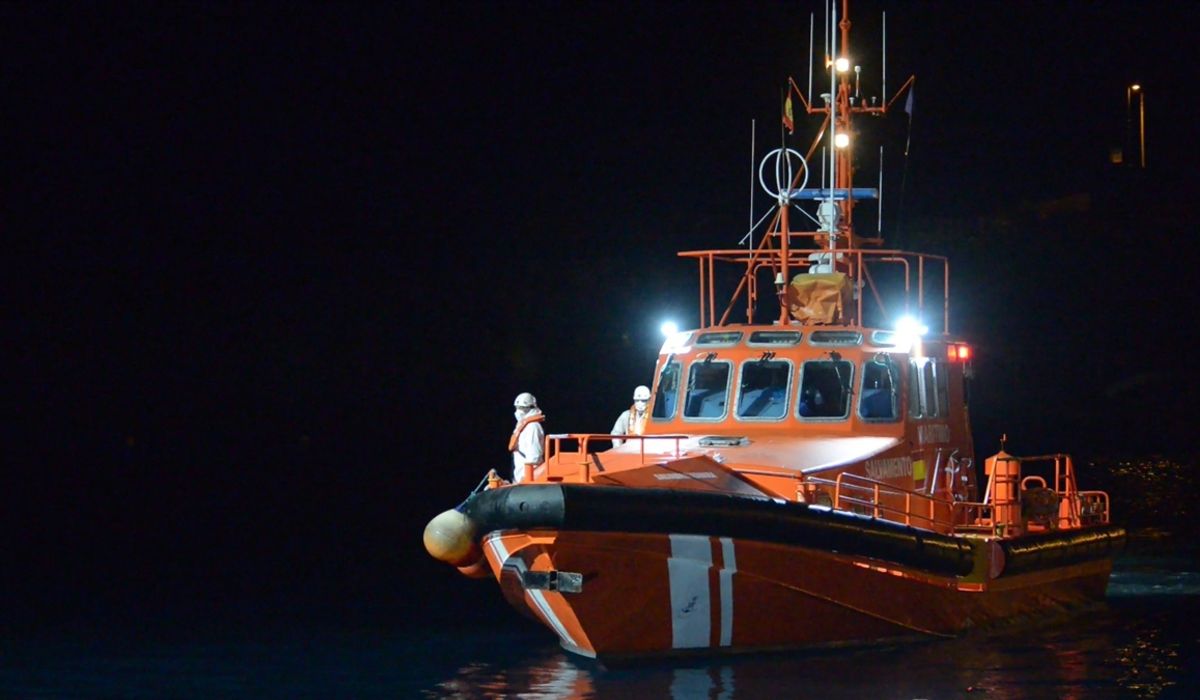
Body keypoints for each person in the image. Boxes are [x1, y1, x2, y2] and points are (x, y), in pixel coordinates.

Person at [509, 392, 545, 483]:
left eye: (522, 408)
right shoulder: (523, 425)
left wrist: (526, 477)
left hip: (529, 476)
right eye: (517, 408)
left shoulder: (532, 427)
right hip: (520, 474)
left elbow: (534, 457)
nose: (518, 411)